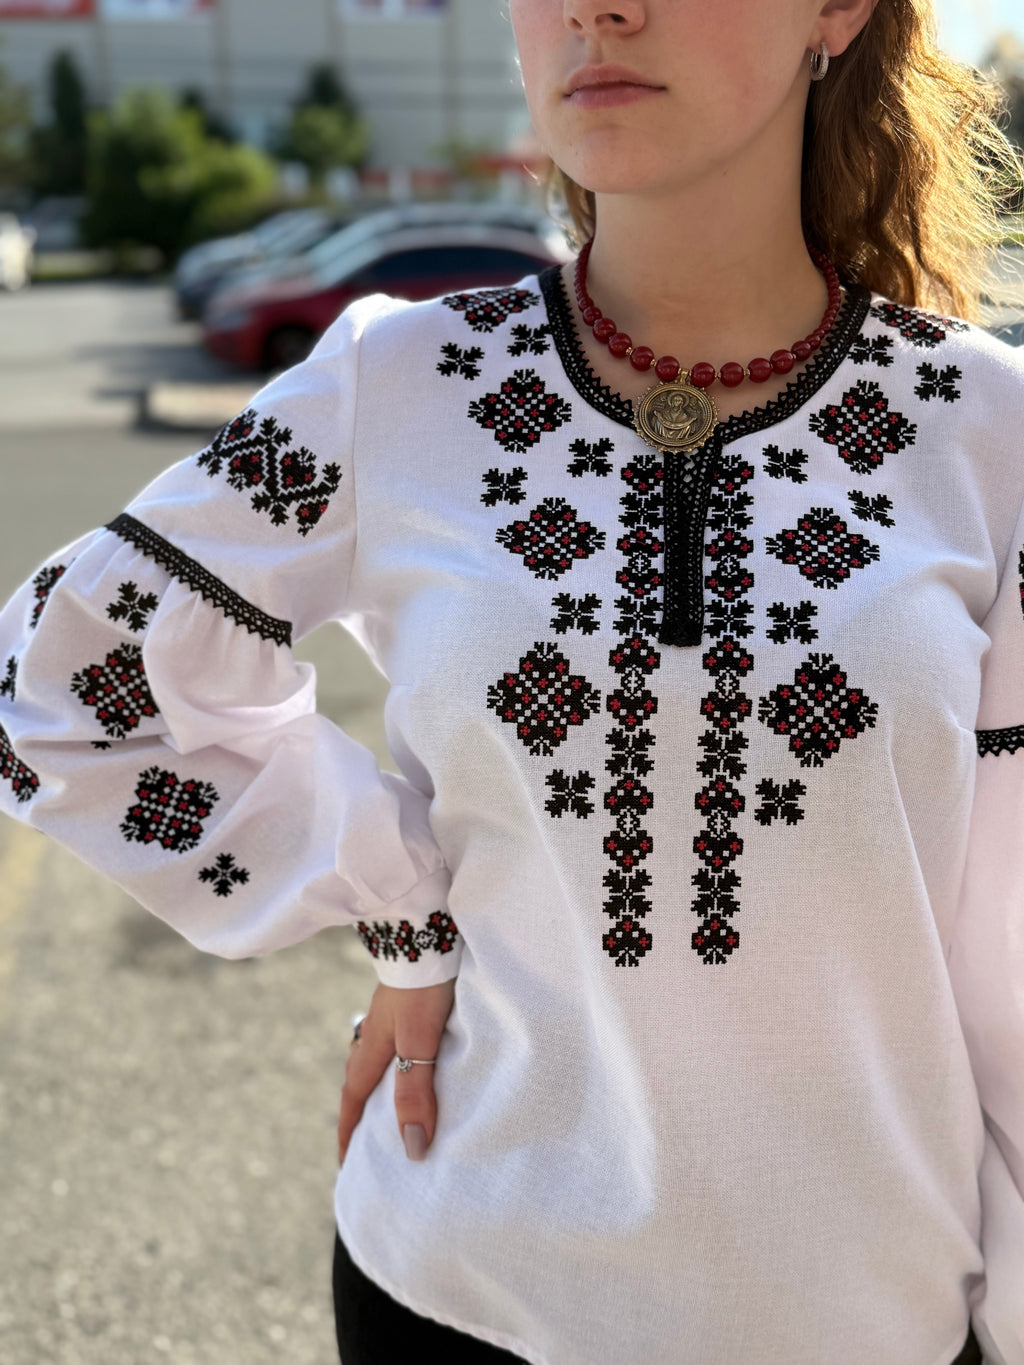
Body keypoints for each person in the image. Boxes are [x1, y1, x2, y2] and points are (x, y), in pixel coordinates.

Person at [1, 0, 1023, 1360]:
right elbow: (65, 677)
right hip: (461, 1291)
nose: (598, 7)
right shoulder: (398, 382)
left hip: (866, 1315)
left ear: (834, 13)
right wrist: (403, 909)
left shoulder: (987, 437)